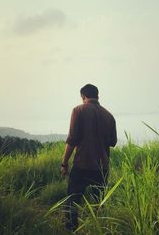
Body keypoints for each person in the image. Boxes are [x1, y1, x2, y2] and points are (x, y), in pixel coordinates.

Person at [61, 84, 117, 231]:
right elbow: (113, 142)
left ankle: (71, 230)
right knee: (99, 204)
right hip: (102, 167)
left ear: (83, 97)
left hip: (82, 165)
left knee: (72, 201)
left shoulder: (78, 110)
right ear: (97, 96)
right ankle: (99, 230)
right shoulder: (109, 116)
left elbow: (72, 140)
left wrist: (64, 163)